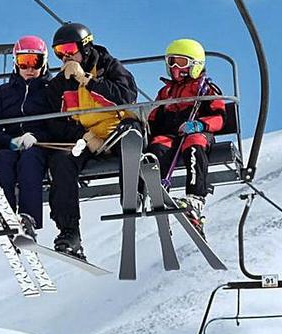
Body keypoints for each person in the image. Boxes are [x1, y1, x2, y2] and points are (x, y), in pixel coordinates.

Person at [45, 22, 138, 259]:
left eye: (69, 49)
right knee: (62, 161)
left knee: (131, 138)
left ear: (85, 48)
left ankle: (133, 195)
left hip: (118, 129)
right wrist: (84, 137)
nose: (65, 57)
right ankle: (69, 232)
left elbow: (126, 97)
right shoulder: (60, 83)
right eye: (59, 52)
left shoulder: (109, 66)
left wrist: (87, 80)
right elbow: (54, 122)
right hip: (87, 139)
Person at [146, 38, 230, 237]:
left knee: (194, 142)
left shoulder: (206, 89)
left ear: (195, 64)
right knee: (157, 147)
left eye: (181, 62)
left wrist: (200, 124)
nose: (175, 67)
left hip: (197, 133)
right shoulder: (166, 91)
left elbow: (220, 117)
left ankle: (195, 199)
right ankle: (157, 193)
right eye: (172, 62)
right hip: (170, 134)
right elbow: (153, 117)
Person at [0, 35, 57, 230]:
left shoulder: (51, 90)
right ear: (16, 63)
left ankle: (28, 219)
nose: (30, 69)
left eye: (35, 62)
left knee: (29, 160)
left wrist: (36, 138)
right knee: (2, 159)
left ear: (45, 62)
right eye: (23, 62)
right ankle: (5, 215)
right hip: (9, 143)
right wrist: (11, 141)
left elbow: (56, 124)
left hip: (38, 145)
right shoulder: (4, 91)